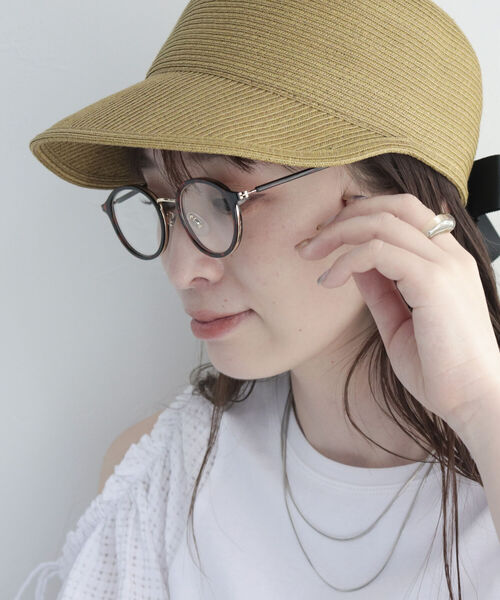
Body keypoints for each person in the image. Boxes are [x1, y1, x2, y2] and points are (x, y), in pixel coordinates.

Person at [14, 0, 500, 599]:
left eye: (223, 198)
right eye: (164, 204)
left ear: (404, 210)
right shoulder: (157, 482)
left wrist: (481, 406)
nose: (181, 268)